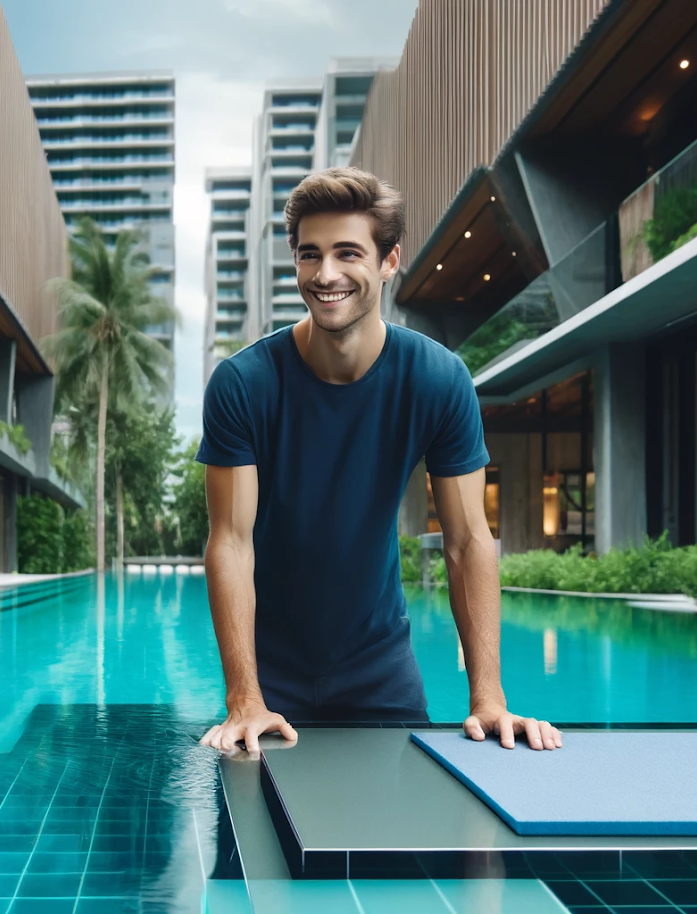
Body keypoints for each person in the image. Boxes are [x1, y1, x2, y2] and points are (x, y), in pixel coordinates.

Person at [196, 167, 562, 754]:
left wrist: (488, 697)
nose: (326, 274)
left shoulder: (438, 380)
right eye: (309, 255)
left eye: (348, 253)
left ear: (390, 261)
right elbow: (231, 542)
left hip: (380, 672)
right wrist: (244, 696)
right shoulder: (244, 384)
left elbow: (467, 540)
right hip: (270, 681)